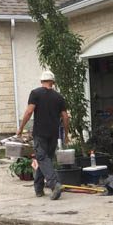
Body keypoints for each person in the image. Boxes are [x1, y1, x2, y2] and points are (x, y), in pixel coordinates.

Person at [17, 70, 70, 200]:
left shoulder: (35, 93)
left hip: (40, 133)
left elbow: (29, 112)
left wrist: (21, 128)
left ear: (42, 81)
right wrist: (66, 134)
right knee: (45, 160)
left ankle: (54, 184)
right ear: (53, 82)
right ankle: (39, 189)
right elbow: (65, 117)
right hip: (53, 134)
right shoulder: (59, 97)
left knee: (42, 158)